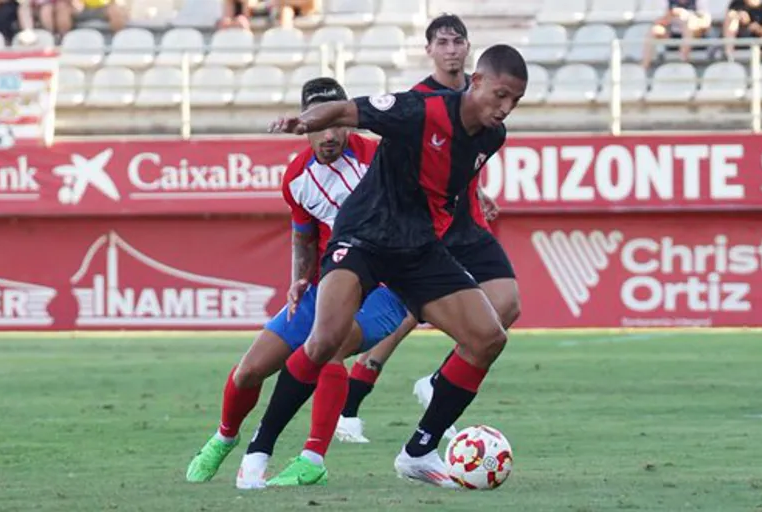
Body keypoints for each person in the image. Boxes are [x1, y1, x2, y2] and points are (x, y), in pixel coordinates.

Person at [265, 43, 528, 488]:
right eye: (500, 95)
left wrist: (471, 196)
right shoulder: (419, 109)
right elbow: (347, 109)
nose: (505, 108)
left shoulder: (492, 137)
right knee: (325, 341)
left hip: (419, 247)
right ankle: (264, 446)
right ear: (476, 80)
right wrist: (304, 122)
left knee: (488, 337)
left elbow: (451, 173)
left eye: (515, 101)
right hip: (368, 235)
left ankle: (418, 451)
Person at [184, 77, 409, 490]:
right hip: (329, 286)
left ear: (347, 120)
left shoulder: (380, 159)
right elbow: (304, 236)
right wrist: (300, 279)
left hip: (388, 288)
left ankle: (312, 457)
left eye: (336, 123)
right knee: (251, 369)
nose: (329, 135)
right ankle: (224, 437)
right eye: (318, 125)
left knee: (332, 346)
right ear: (304, 126)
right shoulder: (295, 179)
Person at [334, 14, 520, 446]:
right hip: (419, 229)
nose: (451, 48)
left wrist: (478, 189)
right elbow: (401, 163)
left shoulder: (483, 103)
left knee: (505, 306)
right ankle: (353, 395)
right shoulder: (417, 101)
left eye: (459, 41)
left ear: (470, 53)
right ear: (430, 50)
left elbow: (461, 157)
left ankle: (437, 383)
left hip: (466, 223)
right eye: (443, 41)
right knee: (402, 315)